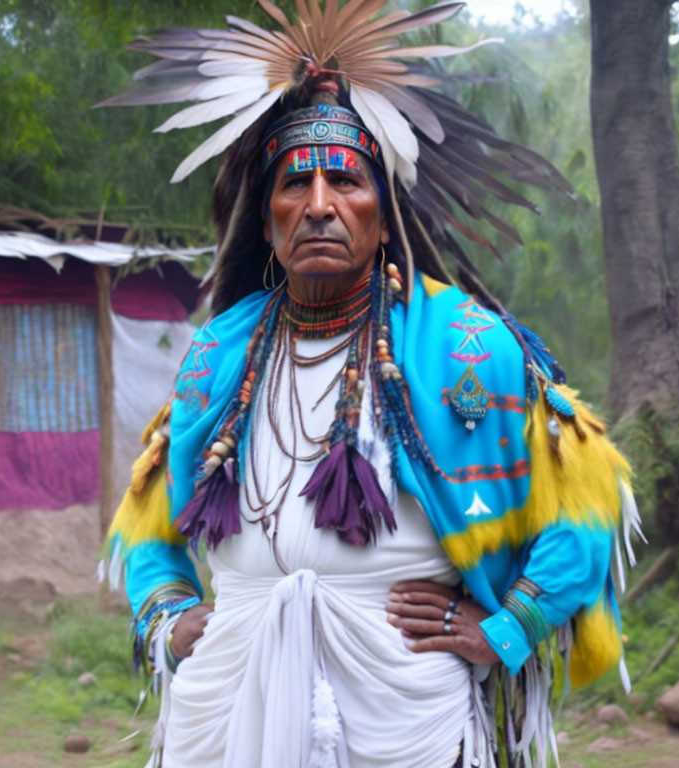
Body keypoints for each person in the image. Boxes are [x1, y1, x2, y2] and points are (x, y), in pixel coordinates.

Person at [103, 3, 643, 767]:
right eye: (295, 185)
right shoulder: (217, 355)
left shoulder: (468, 346)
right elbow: (145, 529)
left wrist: (510, 626)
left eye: (346, 181)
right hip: (227, 713)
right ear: (267, 221)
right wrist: (170, 618)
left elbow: (591, 501)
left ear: (383, 217)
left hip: (403, 716)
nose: (320, 204)